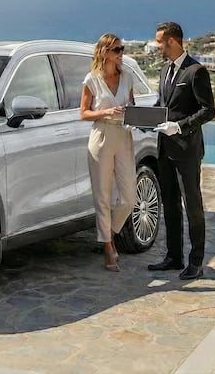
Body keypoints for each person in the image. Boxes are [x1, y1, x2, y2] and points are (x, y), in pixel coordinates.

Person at [148, 22, 215, 280]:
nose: (157, 46)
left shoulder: (196, 71)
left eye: (159, 41)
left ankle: (196, 262)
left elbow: (208, 110)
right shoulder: (165, 69)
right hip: (164, 148)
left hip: (187, 149)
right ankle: (173, 257)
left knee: (193, 205)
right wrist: (140, 118)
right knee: (170, 204)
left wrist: (179, 126)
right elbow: (161, 105)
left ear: (173, 41)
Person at [80, 33, 136, 272]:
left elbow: (133, 105)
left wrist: (134, 114)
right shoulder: (91, 79)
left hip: (124, 136)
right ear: (103, 52)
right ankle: (108, 248)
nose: (121, 53)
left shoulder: (128, 76)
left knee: (128, 197)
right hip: (101, 136)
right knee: (102, 196)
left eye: (122, 49)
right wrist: (106, 112)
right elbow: (83, 113)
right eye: (116, 49)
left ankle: (109, 233)